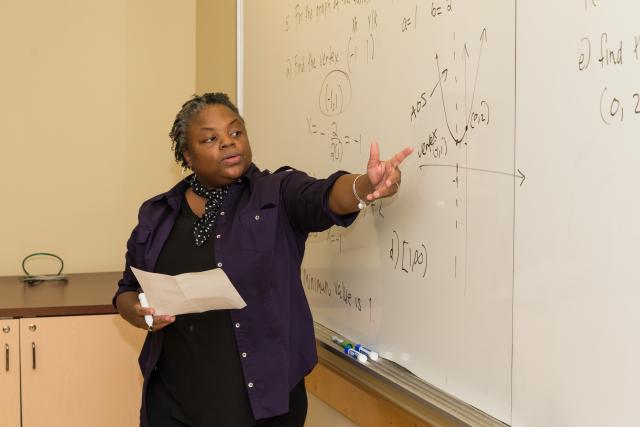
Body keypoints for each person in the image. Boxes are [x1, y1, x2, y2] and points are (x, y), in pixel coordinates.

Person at [114, 92, 413, 427]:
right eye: (210, 138)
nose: (228, 143)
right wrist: (139, 314)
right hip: (172, 404)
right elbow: (127, 290)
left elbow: (324, 197)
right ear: (187, 154)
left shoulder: (277, 194)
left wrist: (363, 185)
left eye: (235, 132)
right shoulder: (157, 214)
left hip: (262, 407)